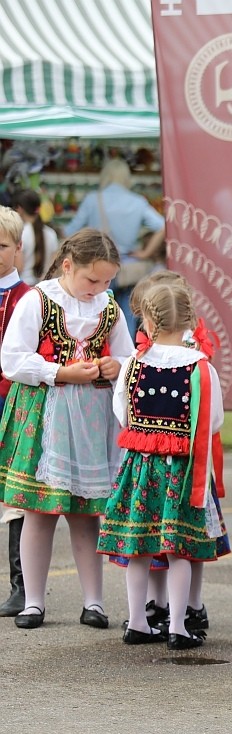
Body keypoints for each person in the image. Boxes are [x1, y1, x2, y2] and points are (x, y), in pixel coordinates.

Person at [0, 228, 133, 630]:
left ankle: (94, 602)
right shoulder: (39, 301)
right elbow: (12, 359)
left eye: (108, 281)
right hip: (45, 414)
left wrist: (115, 368)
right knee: (40, 511)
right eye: (93, 279)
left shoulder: (108, 308)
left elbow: (127, 357)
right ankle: (33, 602)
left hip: (90, 419)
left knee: (85, 515)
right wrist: (59, 372)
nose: (100, 288)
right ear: (68, 265)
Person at [96, 280, 224, 649]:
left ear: (148, 321)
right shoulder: (200, 368)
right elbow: (212, 421)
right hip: (180, 472)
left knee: (140, 547)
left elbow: (121, 411)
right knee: (178, 549)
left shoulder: (133, 364)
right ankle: (178, 627)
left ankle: (137, 622)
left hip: (139, 469)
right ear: (189, 320)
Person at [64, 158, 165, 335]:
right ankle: (127, 356)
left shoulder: (93, 200)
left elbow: (69, 231)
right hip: (129, 267)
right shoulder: (138, 201)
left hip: (96, 265)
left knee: (96, 311)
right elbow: (163, 225)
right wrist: (146, 252)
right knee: (128, 314)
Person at [0, 207, 32, 617]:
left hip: (10, 405)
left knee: (14, 499)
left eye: (1, 246)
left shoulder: (26, 298)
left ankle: (21, 586)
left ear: (19, 249)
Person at [13, 189, 58, 285]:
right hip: (45, 288)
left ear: (20, 209)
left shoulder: (20, 233)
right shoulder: (51, 233)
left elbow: (18, 267)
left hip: (24, 287)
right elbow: (54, 267)